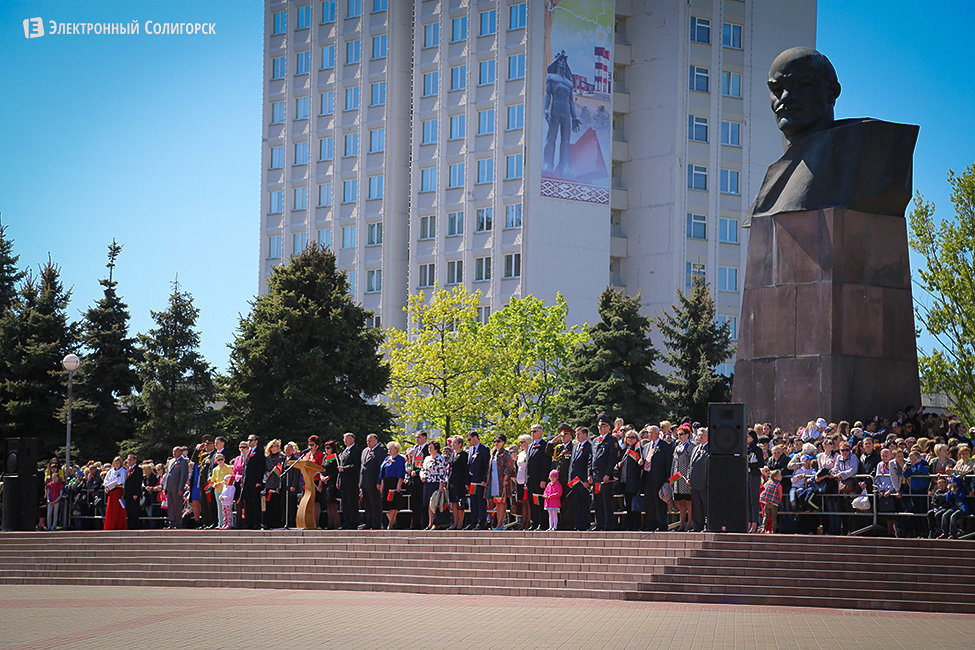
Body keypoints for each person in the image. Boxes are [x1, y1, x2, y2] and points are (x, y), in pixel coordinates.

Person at [590, 415, 620, 531]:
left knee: (606, 500)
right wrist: (590, 474)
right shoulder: (596, 440)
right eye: (599, 426)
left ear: (608, 427)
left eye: (603, 426)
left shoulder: (612, 440)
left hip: (605, 475)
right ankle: (600, 523)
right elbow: (592, 458)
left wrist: (607, 473)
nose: (600, 428)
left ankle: (608, 524)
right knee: (597, 500)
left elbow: (612, 459)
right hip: (596, 475)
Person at [641, 425, 672, 532]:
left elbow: (668, 464)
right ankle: (650, 524)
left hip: (659, 478)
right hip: (647, 477)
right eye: (648, 433)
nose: (650, 434)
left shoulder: (665, 446)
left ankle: (661, 524)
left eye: (652, 432)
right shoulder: (646, 446)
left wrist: (667, 480)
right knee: (649, 502)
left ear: (658, 433)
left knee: (659, 502)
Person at [525, 424, 550, 531]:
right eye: (531, 431)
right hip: (530, 480)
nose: (532, 433)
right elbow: (528, 465)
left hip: (539, 480)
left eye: (534, 431)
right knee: (532, 503)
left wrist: (544, 479)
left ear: (541, 432)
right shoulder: (530, 446)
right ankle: (534, 523)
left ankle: (542, 523)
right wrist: (526, 479)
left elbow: (546, 464)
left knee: (540, 502)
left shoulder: (545, 445)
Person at [488, 435, 516, 530]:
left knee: (502, 502)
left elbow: (509, 466)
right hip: (494, 480)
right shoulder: (493, 453)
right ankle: (498, 523)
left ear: (503, 442)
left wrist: (505, 478)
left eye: (498, 441)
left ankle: (500, 523)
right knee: (497, 502)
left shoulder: (506, 453)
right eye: (495, 441)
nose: (496, 443)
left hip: (502, 480)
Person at [359, 433, 387, 530]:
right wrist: (360, 481)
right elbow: (362, 467)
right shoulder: (365, 451)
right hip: (365, 482)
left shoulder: (381, 451)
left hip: (374, 481)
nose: (368, 442)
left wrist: (379, 482)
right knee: (367, 504)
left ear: (376, 441)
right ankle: (368, 522)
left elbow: (381, 468)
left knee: (375, 504)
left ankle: (376, 524)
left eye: (370, 440)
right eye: (367, 440)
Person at [671, 426, 695, 531]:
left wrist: (690, 477)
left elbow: (692, 463)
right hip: (678, 478)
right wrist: (672, 479)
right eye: (678, 434)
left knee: (688, 500)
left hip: (686, 477)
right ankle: (682, 523)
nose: (679, 436)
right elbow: (674, 463)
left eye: (681, 434)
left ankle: (690, 522)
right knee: (681, 501)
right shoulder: (677, 447)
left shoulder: (691, 447)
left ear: (687, 435)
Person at [618, 430, 643, 531]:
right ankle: (628, 525)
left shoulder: (639, 449)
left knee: (635, 505)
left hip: (634, 482)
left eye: (633, 437)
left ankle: (636, 525)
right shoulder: (624, 450)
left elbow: (641, 464)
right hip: (624, 482)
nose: (631, 439)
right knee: (627, 505)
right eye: (629, 437)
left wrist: (640, 461)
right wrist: (618, 465)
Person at [551, 425, 575, 530]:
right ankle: (563, 521)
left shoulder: (573, 447)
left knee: (569, 501)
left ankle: (570, 522)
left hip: (568, 478)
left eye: (566, 435)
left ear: (571, 436)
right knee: (561, 502)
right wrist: (552, 441)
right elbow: (548, 452)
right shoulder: (559, 447)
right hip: (559, 479)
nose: (563, 437)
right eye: (561, 435)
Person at [421, 440, 450, 530]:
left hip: (436, 483)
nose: (429, 449)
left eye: (431, 448)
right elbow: (423, 469)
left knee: (435, 502)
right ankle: (430, 522)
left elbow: (442, 472)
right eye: (429, 448)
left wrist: (441, 485)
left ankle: (436, 523)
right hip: (427, 482)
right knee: (428, 504)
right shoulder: (427, 458)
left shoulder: (440, 458)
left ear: (436, 449)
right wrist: (421, 475)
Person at [569, 427, 593, 531]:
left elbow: (589, 463)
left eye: (579, 434)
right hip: (574, 481)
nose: (577, 436)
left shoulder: (589, 447)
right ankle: (578, 523)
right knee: (577, 503)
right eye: (576, 434)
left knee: (584, 503)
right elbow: (572, 464)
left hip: (583, 480)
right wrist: (570, 479)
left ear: (585, 434)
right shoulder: (575, 447)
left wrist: (587, 479)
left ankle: (585, 523)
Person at [378, 440, 406, 529]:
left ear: (396, 449)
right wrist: (382, 484)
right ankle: (393, 522)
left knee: (393, 503)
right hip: (386, 482)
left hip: (394, 481)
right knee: (386, 504)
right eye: (388, 449)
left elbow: (401, 472)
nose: (389, 451)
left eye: (391, 449)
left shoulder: (400, 459)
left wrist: (399, 484)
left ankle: (390, 524)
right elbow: (382, 472)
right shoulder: (387, 459)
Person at [337, 433, 361, 529]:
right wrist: (338, 480)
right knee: (345, 504)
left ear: (353, 439)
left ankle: (353, 523)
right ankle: (346, 522)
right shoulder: (345, 451)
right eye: (344, 439)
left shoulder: (356, 450)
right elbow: (340, 467)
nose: (345, 440)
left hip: (352, 481)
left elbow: (356, 465)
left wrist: (345, 468)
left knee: (352, 503)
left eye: (347, 439)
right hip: (344, 481)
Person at [466, 431, 489, 529]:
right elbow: (469, 465)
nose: (469, 442)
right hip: (472, 481)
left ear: (475, 437)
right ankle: (473, 522)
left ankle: (481, 522)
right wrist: (467, 481)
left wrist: (484, 479)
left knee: (480, 502)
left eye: (469, 439)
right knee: (473, 501)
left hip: (480, 481)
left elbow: (486, 466)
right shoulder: (471, 449)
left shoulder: (484, 449)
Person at [407, 430, 429, 530]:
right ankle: (416, 524)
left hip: (423, 480)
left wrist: (417, 471)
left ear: (425, 437)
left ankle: (425, 523)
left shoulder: (428, 449)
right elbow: (412, 462)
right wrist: (410, 469)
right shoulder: (415, 450)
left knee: (423, 502)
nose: (417, 439)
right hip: (414, 480)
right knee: (415, 503)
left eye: (418, 437)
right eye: (416, 437)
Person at [687, 428, 709, 532]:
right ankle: (697, 526)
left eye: (702, 435)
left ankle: (707, 525)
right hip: (694, 482)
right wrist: (688, 477)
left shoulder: (710, 449)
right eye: (699, 435)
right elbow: (690, 464)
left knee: (705, 505)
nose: (700, 437)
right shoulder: (696, 448)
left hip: (704, 482)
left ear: (707, 436)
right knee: (696, 506)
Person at [242, 435, 265, 530]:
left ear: (256, 441)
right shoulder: (247, 452)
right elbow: (245, 467)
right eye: (248, 440)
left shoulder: (259, 452)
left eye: (251, 440)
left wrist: (259, 480)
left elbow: (261, 467)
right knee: (248, 502)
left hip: (255, 481)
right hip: (247, 481)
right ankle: (249, 522)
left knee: (256, 502)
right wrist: (243, 480)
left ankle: (257, 523)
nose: (249, 442)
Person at [301, 436, 326, 525]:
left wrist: (320, 484)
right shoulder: (307, 455)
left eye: (312, 444)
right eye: (309, 444)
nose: (310, 446)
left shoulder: (321, 455)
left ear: (317, 446)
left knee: (315, 502)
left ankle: (315, 522)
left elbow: (321, 470)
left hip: (316, 481)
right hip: (307, 481)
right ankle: (307, 521)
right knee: (306, 501)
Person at [447, 436, 469, 530]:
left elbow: (466, 469)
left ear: (460, 444)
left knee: (460, 503)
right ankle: (455, 522)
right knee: (454, 503)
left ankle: (460, 523)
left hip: (460, 481)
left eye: (455, 443)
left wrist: (466, 482)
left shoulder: (464, 455)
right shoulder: (452, 454)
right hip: (452, 481)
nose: (453, 445)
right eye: (452, 443)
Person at [163, 446, 188, 529]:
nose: (174, 453)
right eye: (173, 451)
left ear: (180, 453)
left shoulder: (183, 462)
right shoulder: (171, 461)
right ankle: (172, 522)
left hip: (177, 487)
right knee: (170, 506)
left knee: (177, 506)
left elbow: (183, 476)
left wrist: (181, 488)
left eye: (176, 452)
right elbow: (167, 474)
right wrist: (165, 487)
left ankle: (178, 523)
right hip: (169, 487)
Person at [264, 439, 286, 529]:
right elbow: (263, 468)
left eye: (278, 446)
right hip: (269, 483)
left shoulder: (282, 457)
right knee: (269, 504)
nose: (277, 448)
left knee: (278, 504)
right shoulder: (266, 457)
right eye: (275, 446)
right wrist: (266, 472)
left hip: (278, 483)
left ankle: (278, 523)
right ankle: (268, 523)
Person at [745, 430, 765, 533]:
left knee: (753, 501)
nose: (746, 438)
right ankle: (748, 523)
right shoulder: (743, 449)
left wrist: (749, 464)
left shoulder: (756, 449)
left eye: (748, 436)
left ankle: (754, 523)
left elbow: (761, 463)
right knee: (747, 501)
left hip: (754, 475)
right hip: (745, 475)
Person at [320, 440, 341, 529]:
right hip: (325, 482)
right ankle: (329, 523)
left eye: (328, 448)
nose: (327, 449)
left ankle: (333, 524)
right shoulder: (324, 458)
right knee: (328, 504)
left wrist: (329, 476)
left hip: (332, 482)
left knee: (333, 503)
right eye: (325, 448)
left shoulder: (335, 457)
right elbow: (321, 468)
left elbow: (337, 471)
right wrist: (321, 477)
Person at [103, 457, 127, 530]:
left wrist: (119, 484)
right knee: (111, 510)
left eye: (118, 463)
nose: (116, 465)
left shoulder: (123, 471)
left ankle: (119, 526)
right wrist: (107, 485)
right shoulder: (110, 471)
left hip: (118, 491)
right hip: (111, 492)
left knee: (118, 510)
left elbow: (124, 481)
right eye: (115, 463)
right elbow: (105, 480)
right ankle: (110, 526)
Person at [282, 442, 302, 528]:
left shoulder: (295, 459)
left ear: (293, 450)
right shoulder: (283, 459)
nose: (288, 451)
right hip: (284, 485)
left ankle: (292, 522)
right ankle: (284, 521)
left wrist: (294, 485)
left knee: (291, 505)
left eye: (289, 449)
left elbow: (296, 474)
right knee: (283, 505)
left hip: (291, 485)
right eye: (286, 449)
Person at [211, 454, 233, 528]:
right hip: (217, 490)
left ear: (224, 459)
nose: (220, 461)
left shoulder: (228, 467)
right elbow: (212, 480)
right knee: (220, 507)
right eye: (218, 460)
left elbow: (230, 478)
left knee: (228, 507)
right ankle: (220, 523)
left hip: (226, 490)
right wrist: (214, 485)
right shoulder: (215, 469)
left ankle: (230, 523)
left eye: (221, 459)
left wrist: (221, 483)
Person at [514, 434, 531, 530]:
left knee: (528, 502)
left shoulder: (530, 452)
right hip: (519, 480)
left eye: (522, 442)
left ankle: (528, 522)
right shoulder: (520, 454)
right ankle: (523, 521)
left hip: (526, 480)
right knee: (523, 502)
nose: (520, 444)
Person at [123, 454, 144, 530]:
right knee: (129, 512)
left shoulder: (138, 469)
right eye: (128, 460)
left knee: (134, 511)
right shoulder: (128, 469)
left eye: (130, 460)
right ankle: (130, 527)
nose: (128, 461)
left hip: (134, 494)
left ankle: (135, 527)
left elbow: (137, 482)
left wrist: (136, 493)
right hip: (128, 494)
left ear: (135, 460)